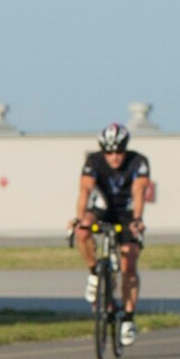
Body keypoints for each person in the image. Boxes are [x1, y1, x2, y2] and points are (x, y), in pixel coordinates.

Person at [71, 122, 150, 346]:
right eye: (109, 151)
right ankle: (94, 272)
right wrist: (79, 218)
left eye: (118, 151)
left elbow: (139, 191)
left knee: (129, 262)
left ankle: (128, 317)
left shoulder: (138, 161)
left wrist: (137, 220)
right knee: (83, 229)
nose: (114, 157)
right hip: (102, 209)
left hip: (126, 213)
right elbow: (85, 190)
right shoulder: (93, 161)